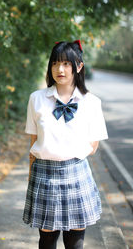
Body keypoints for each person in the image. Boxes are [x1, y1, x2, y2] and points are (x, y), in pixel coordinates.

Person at [23, 40, 108, 249]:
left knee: (75, 243)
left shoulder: (92, 102)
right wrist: (31, 173)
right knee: (46, 241)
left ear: (78, 66)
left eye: (66, 64)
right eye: (55, 63)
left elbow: (93, 144)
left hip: (77, 174)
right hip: (44, 174)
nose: (59, 69)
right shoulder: (36, 99)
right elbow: (33, 143)